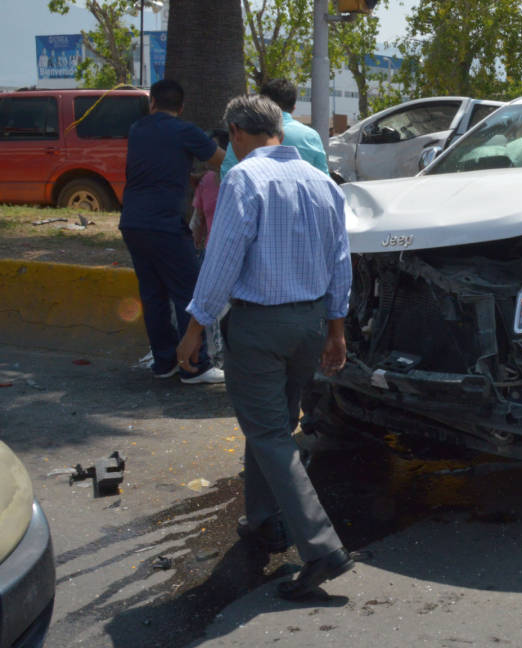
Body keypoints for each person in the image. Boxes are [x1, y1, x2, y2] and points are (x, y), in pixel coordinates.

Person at [176, 94, 353, 601]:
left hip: (259, 326)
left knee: (271, 433)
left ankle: (321, 549)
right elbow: (342, 262)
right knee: (271, 424)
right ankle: (262, 520)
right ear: (279, 128)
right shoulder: (323, 183)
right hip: (310, 324)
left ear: (235, 133)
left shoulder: (244, 179)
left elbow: (222, 258)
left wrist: (195, 328)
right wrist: (336, 331)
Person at [120, 79, 226, 384]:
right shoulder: (185, 131)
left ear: (152, 103)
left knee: (153, 294)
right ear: (180, 107)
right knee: (188, 291)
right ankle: (196, 365)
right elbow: (222, 161)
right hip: (164, 223)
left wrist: (187, 176)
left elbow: (157, 166)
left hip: (133, 222)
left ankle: (164, 362)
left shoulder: (137, 129)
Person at [219, 78, 327, 178]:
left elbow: (226, 175)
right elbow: (324, 177)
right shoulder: (311, 136)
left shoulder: (243, 134)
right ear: (293, 108)